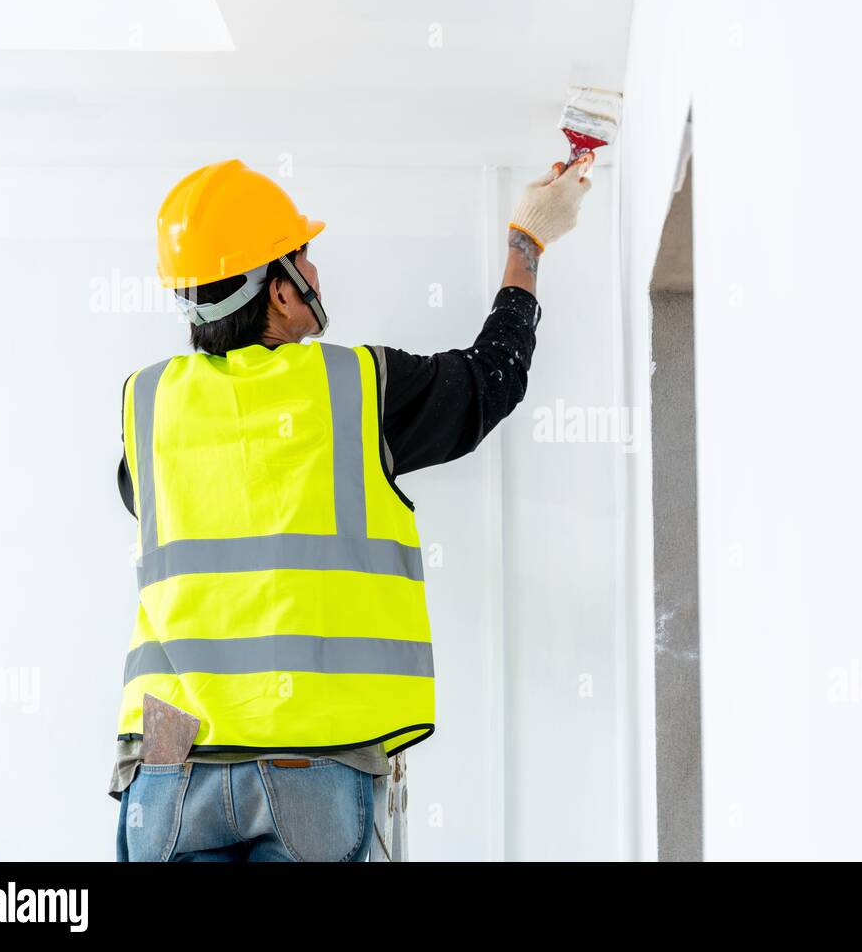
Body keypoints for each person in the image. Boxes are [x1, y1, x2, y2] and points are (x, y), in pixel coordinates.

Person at [112, 154, 593, 861]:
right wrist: (528, 243)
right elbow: (490, 379)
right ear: (279, 290)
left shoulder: (148, 407)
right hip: (316, 755)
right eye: (305, 255)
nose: (316, 271)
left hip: (169, 756)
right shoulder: (356, 389)